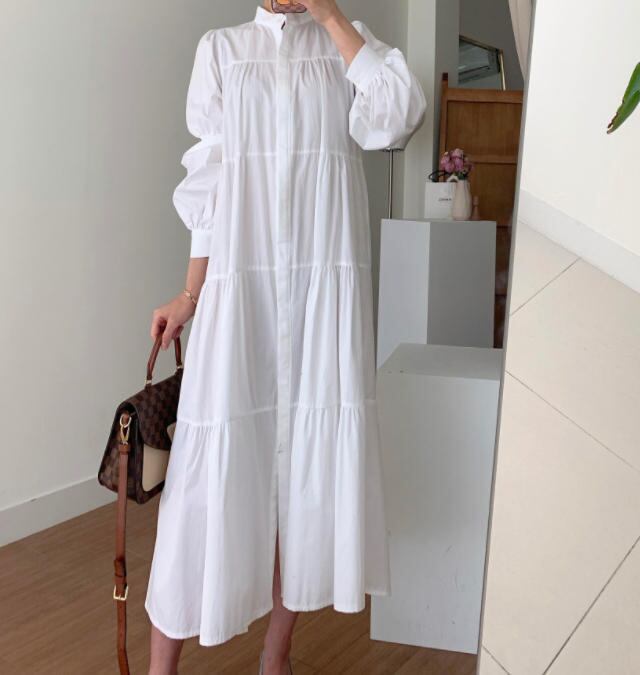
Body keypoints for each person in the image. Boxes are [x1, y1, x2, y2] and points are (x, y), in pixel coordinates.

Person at [145, 1, 426, 673]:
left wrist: (332, 18)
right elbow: (209, 182)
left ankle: (276, 656)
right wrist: (189, 295)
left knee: (302, 483)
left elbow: (396, 117)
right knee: (204, 480)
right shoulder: (222, 50)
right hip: (241, 294)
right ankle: (162, 667)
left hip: (322, 301)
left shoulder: (347, 46)